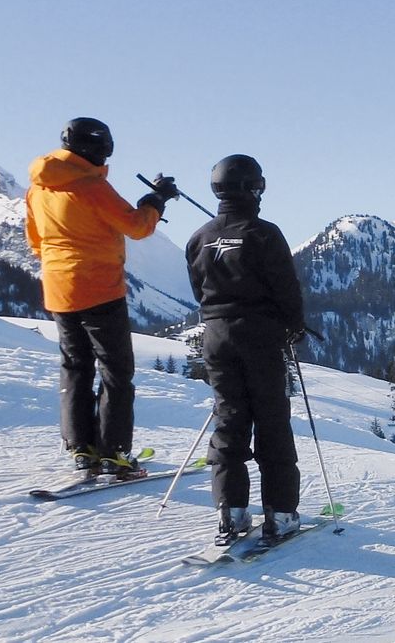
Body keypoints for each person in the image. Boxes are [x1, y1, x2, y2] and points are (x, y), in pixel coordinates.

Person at [25, 117, 175, 478]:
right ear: (98, 148)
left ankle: (81, 448)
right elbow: (137, 226)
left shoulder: (38, 188)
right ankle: (114, 452)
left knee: (75, 367)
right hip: (99, 288)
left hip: (58, 290)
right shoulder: (91, 186)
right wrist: (156, 200)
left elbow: (35, 242)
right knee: (116, 371)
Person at [184, 154, 307, 544]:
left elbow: (198, 290)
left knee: (229, 417)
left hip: (216, 337)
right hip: (259, 336)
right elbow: (286, 288)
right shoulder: (264, 234)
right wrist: (293, 325)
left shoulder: (199, 238)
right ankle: (280, 513)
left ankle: (231, 511)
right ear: (254, 188)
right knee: (271, 421)